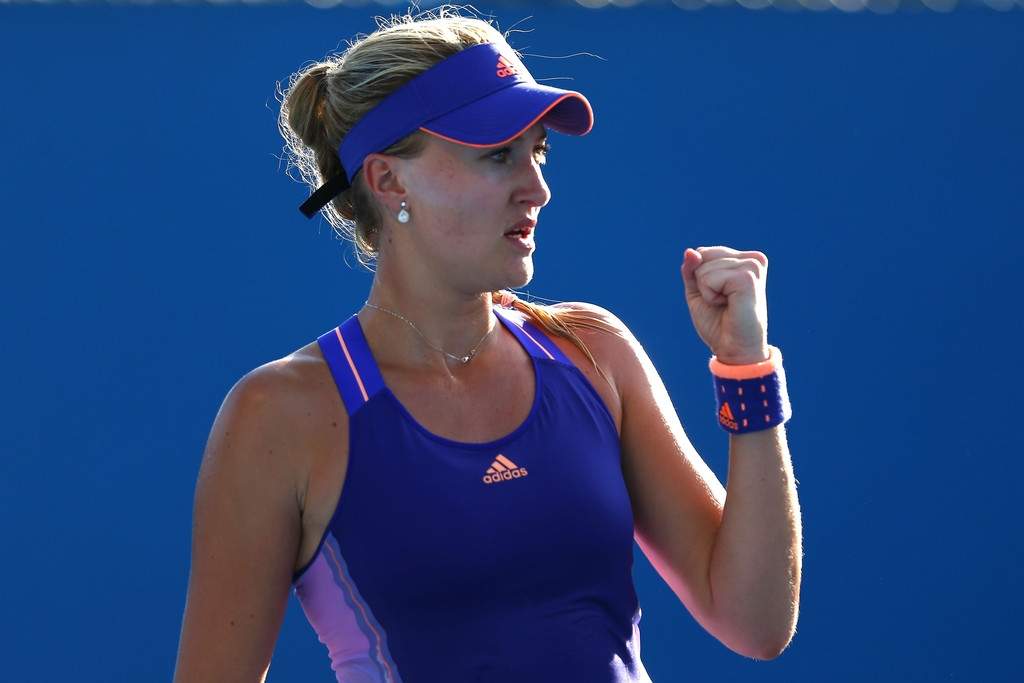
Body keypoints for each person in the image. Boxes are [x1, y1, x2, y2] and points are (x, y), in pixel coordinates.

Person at [172, 7, 802, 683]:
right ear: (388, 181)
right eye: (498, 154)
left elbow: (757, 623)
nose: (539, 188)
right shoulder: (278, 415)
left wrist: (746, 369)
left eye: (538, 151)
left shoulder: (596, 353)